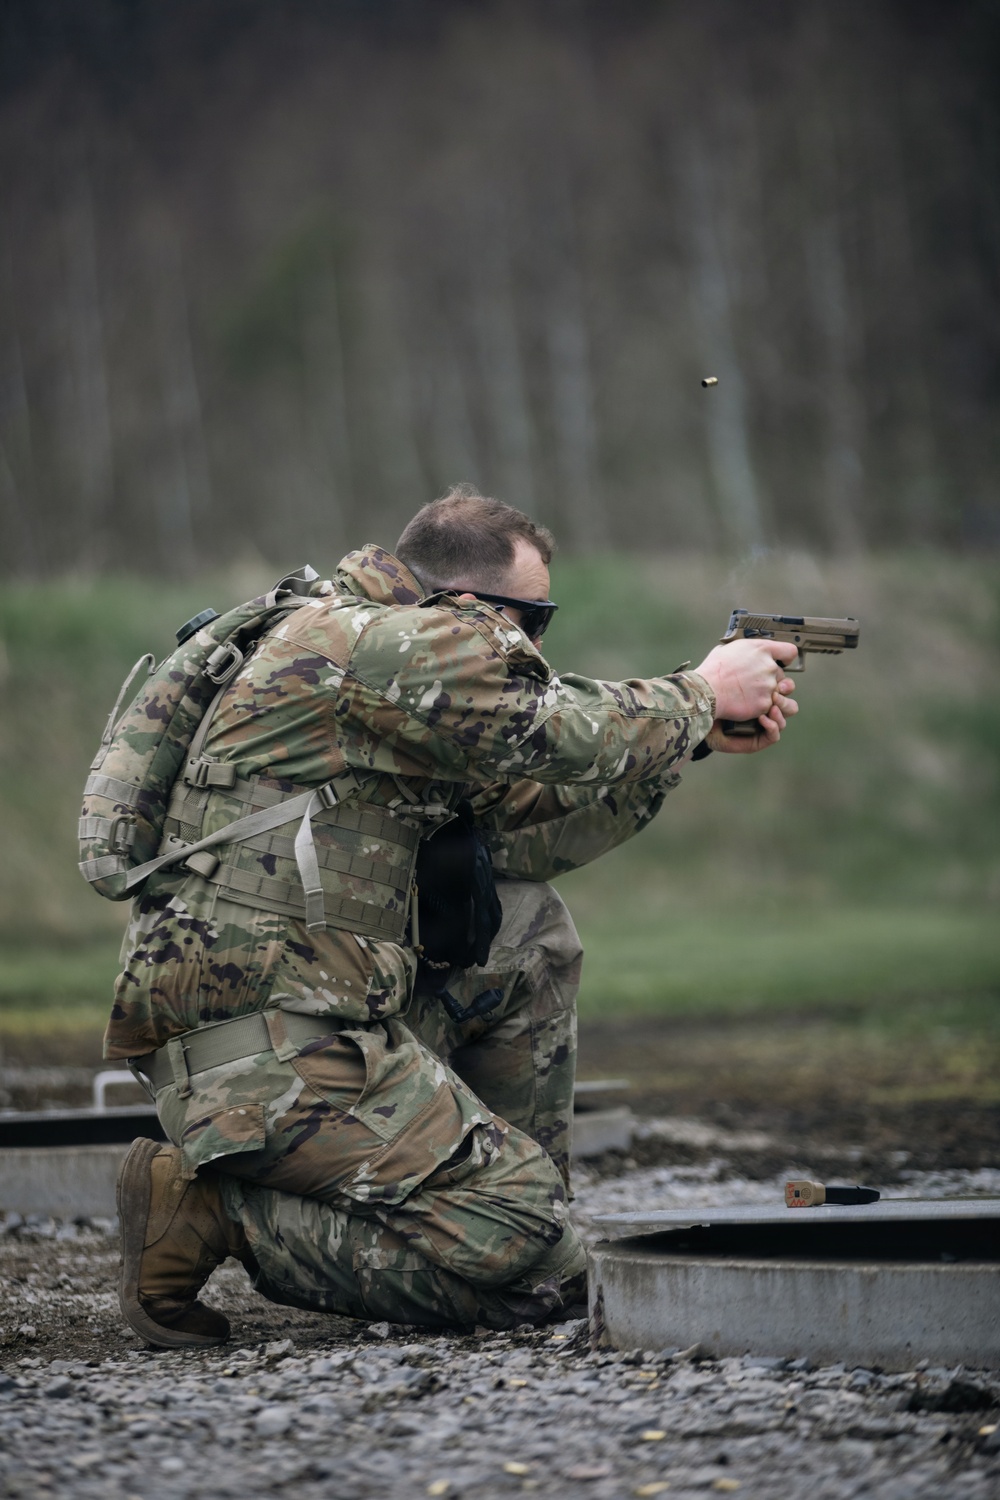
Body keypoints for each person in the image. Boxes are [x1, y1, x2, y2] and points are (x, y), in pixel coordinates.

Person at [112, 485, 798, 1347]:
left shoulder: (369, 653)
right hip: (264, 1046)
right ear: (471, 605)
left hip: (305, 1008)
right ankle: (212, 1211)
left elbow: (519, 831)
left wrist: (688, 740)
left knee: (524, 928)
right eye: (534, 617)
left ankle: (500, 1212)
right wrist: (700, 690)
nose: (535, 642)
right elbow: (558, 730)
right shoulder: (370, 644)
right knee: (539, 1274)